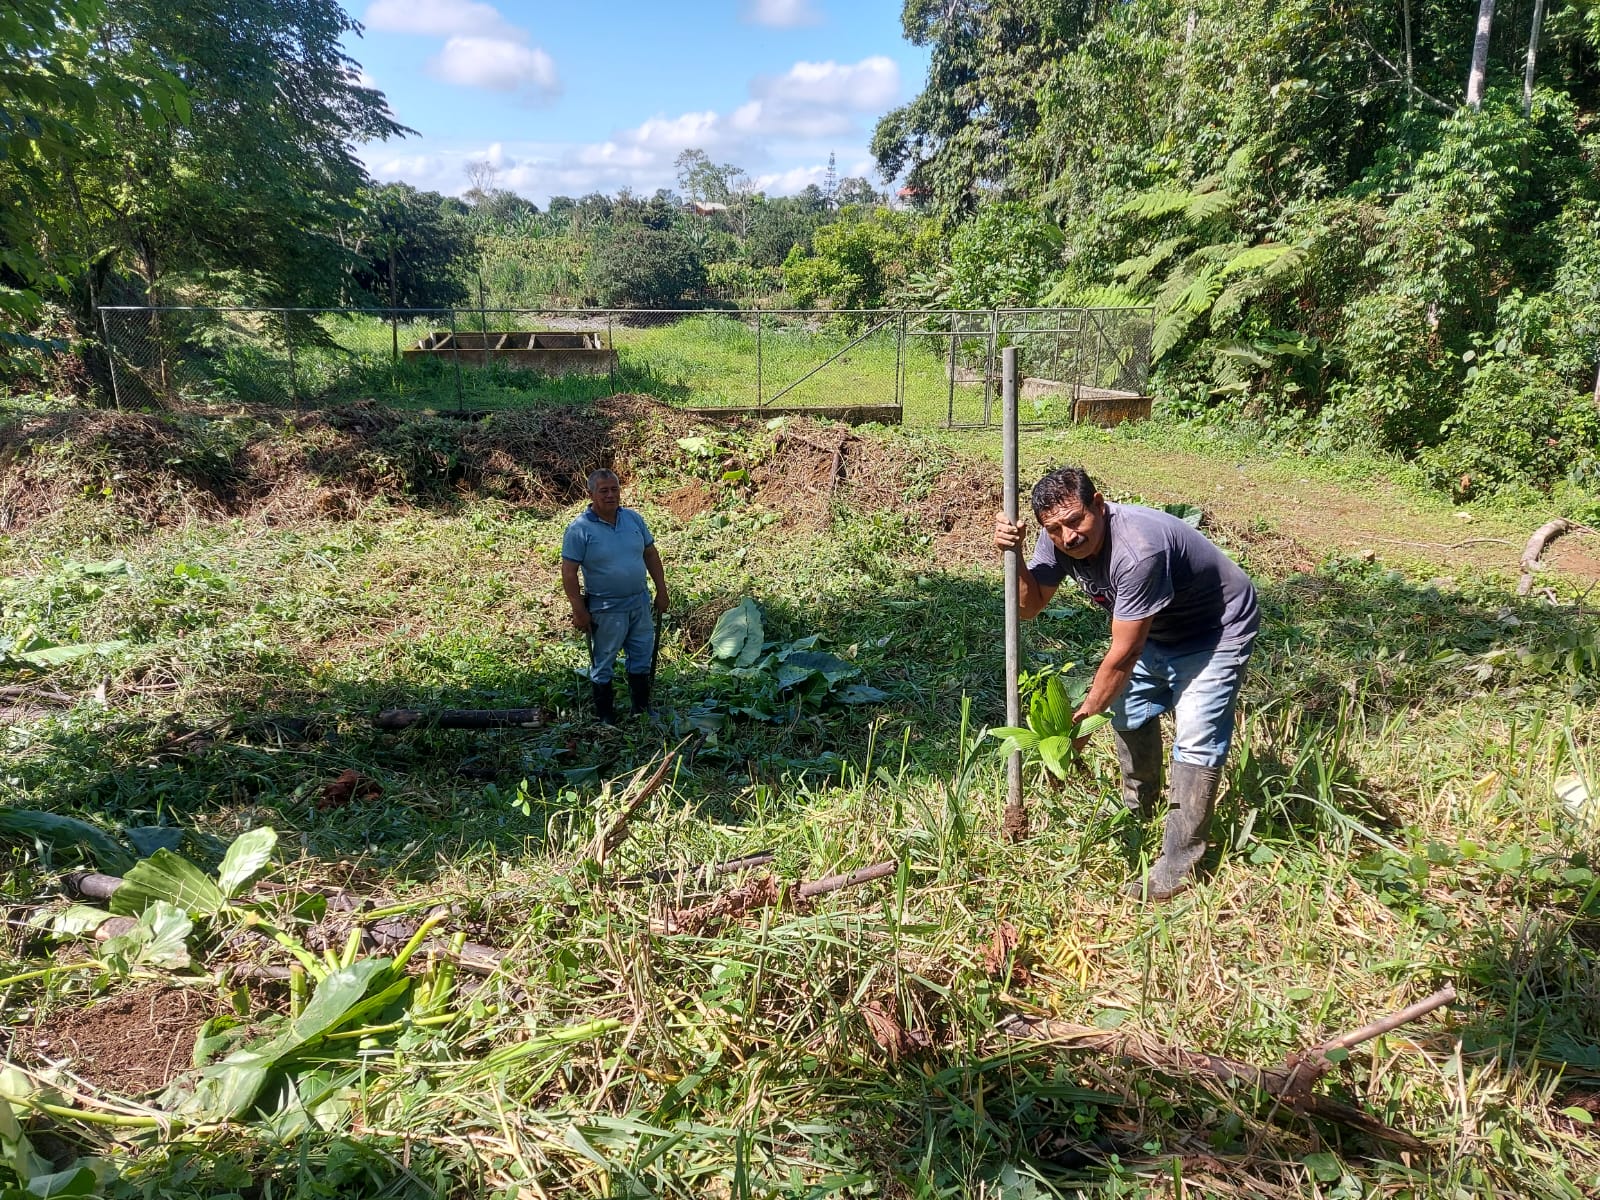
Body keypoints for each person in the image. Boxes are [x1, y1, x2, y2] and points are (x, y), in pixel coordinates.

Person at [994, 466, 1259, 900]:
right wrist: (1016, 555)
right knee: (1129, 713)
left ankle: (1178, 866)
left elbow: (1123, 655)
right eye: (1055, 529)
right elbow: (1029, 607)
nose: (1068, 536)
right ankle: (1142, 808)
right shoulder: (1056, 534)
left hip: (1215, 629)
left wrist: (1077, 729)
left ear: (1099, 504)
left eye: (1076, 521)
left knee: (1197, 737)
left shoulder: (1138, 550)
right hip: (1155, 629)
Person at [561, 469, 669, 723]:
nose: (610, 495)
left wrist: (662, 590)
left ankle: (641, 709)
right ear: (591, 494)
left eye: (614, 489)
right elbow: (569, 572)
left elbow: (651, 554)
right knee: (604, 659)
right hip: (606, 608)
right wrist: (579, 610)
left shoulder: (633, 519)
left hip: (639, 602)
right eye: (604, 491)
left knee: (642, 655)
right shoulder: (580, 529)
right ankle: (606, 716)